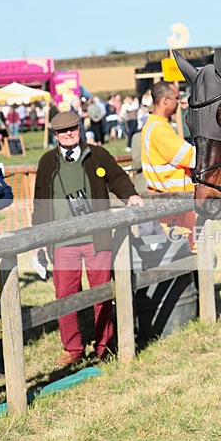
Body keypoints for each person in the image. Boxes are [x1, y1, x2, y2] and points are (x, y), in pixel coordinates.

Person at [32, 110, 144, 367]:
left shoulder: (97, 154)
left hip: (97, 237)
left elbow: (116, 177)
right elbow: (39, 202)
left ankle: (105, 345)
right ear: (55, 135)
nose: (68, 133)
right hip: (62, 242)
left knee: (103, 292)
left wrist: (130, 196)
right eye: (62, 131)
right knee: (65, 297)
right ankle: (72, 348)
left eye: (73, 128)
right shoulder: (47, 161)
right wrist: (37, 239)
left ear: (80, 129)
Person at [140, 81, 196, 249]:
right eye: (176, 98)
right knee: (184, 256)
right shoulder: (159, 130)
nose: (179, 102)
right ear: (165, 101)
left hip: (172, 204)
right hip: (174, 207)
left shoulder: (156, 126)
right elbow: (191, 157)